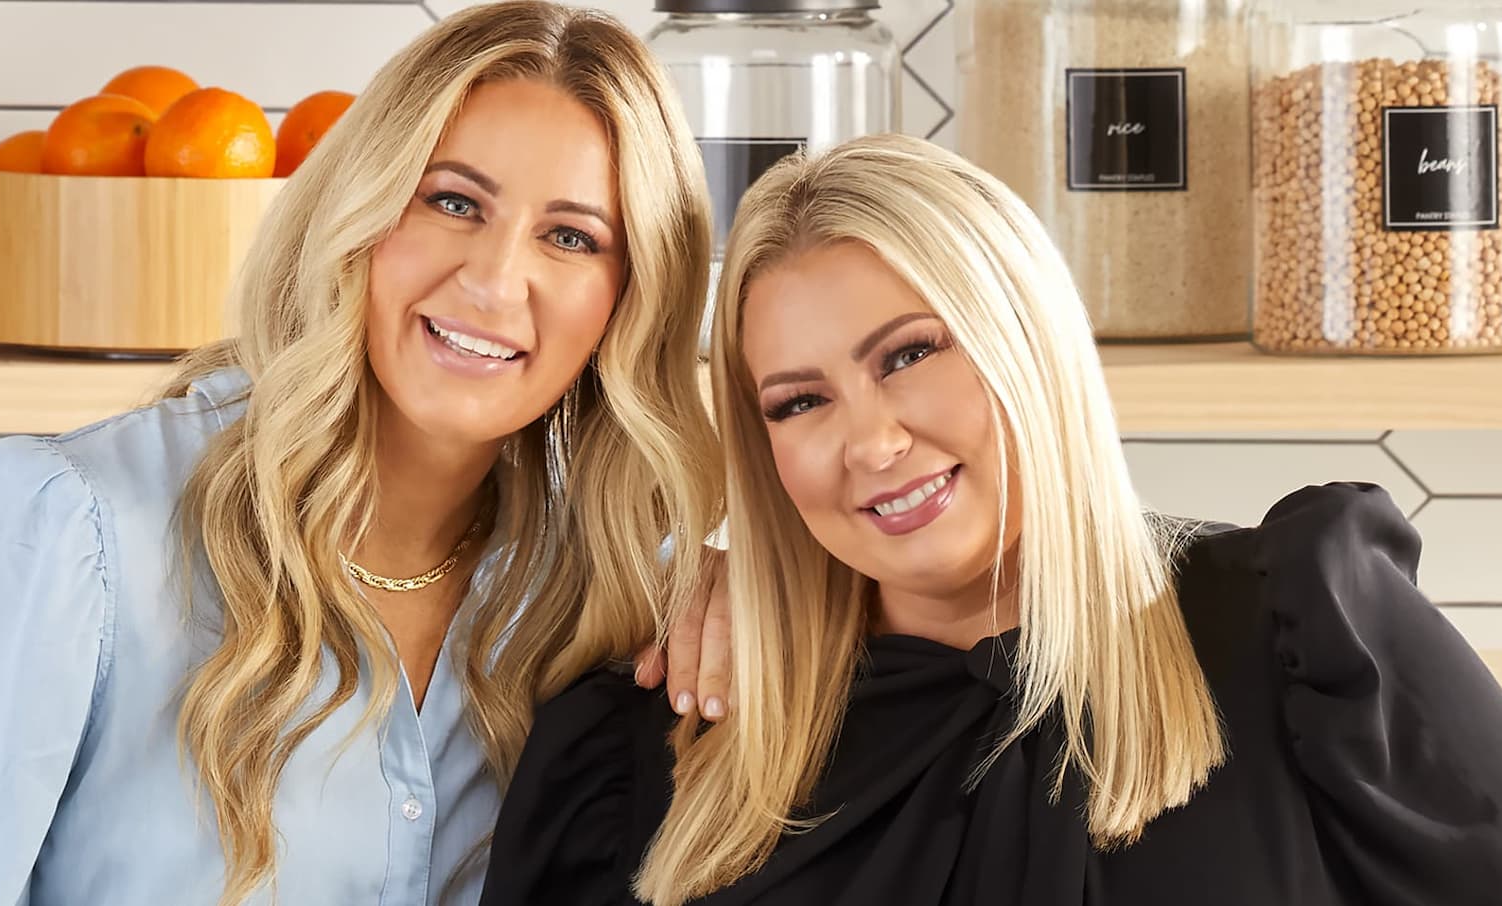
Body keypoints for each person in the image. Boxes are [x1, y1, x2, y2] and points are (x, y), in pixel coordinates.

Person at [480, 133, 1502, 906]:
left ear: (1026, 340)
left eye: (910, 354)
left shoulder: (1309, 640)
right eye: (799, 402)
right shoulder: (646, 748)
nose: (871, 442)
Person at [0, 4, 732, 905]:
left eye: (571, 238)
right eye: (453, 202)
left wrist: (740, 592)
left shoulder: (618, 586)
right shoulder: (72, 529)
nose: (493, 281)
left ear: (629, 301)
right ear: (360, 209)